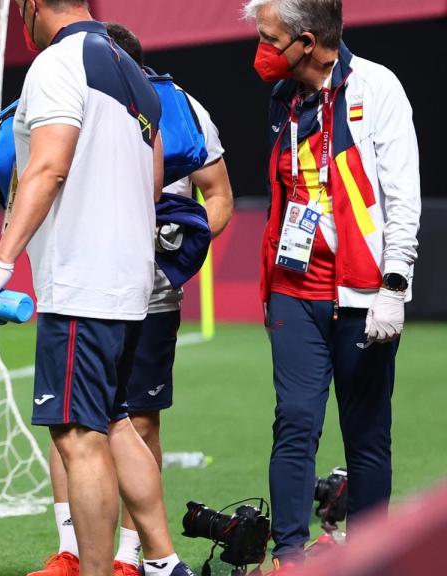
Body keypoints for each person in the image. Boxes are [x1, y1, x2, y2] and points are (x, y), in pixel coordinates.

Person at [0, 2, 195, 575]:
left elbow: (49, 167)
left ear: (32, 6)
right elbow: (154, 177)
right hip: (130, 281)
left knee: (78, 435)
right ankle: (163, 563)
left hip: (81, 284)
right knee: (116, 420)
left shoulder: (59, 61)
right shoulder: (135, 75)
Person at [243, 0, 421, 569]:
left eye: (270, 38)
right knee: (294, 421)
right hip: (295, 290)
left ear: (309, 40)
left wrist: (394, 286)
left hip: (364, 296)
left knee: (367, 436)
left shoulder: (377, 87)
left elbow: (401, 196)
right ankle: (290, 556)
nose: (262, 50)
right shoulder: (284, 98)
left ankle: (373, 558)